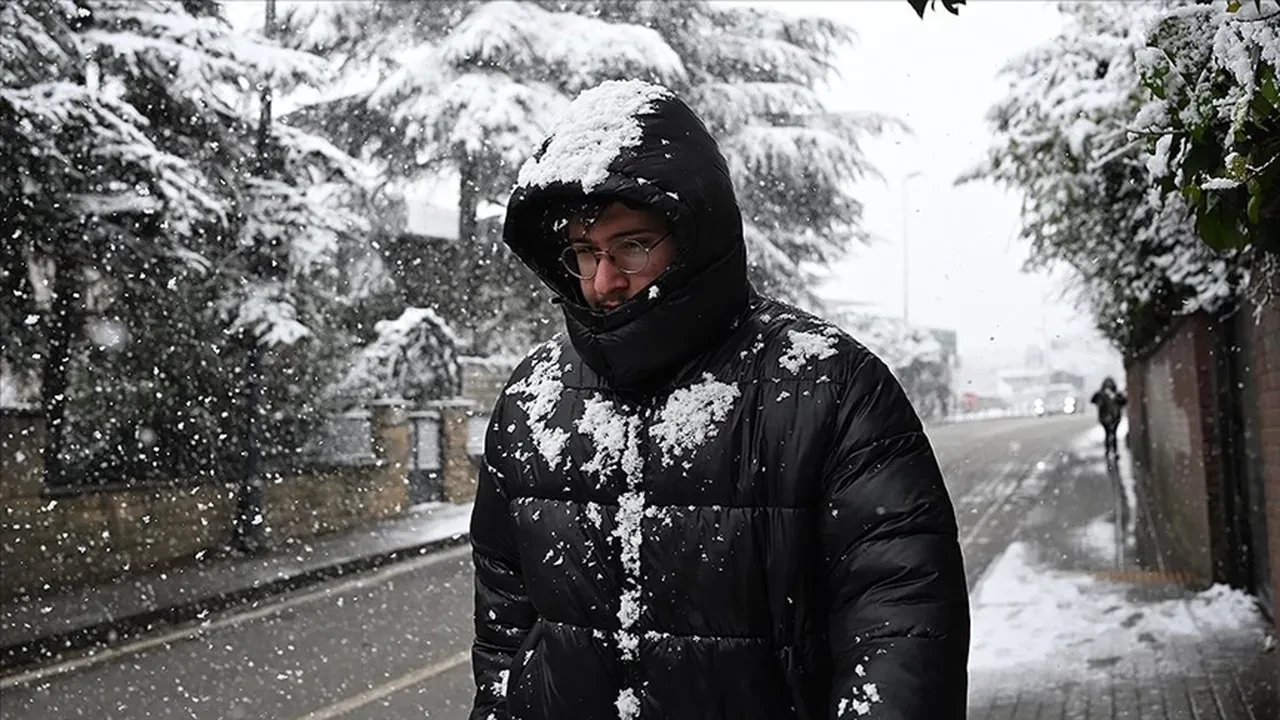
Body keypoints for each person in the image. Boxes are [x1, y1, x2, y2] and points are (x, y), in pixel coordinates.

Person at [469, 79, 970, 720]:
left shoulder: (829, 387)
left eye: (632, 246)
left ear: (693, 235)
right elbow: (506, 632)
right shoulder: (531, 401)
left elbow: (901, 628)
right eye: (584, 253)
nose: (603, 281)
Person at [1090, 377, 1127, 458]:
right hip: (1106, 418)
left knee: (1112, 434)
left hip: (1114, 417)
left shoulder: (1116, 394)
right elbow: (1093, 400)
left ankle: (1112, 451)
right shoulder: (1101, 394)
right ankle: (1111, 451)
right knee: (1109, 434)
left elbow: (1123, 402)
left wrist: (1116, 398)